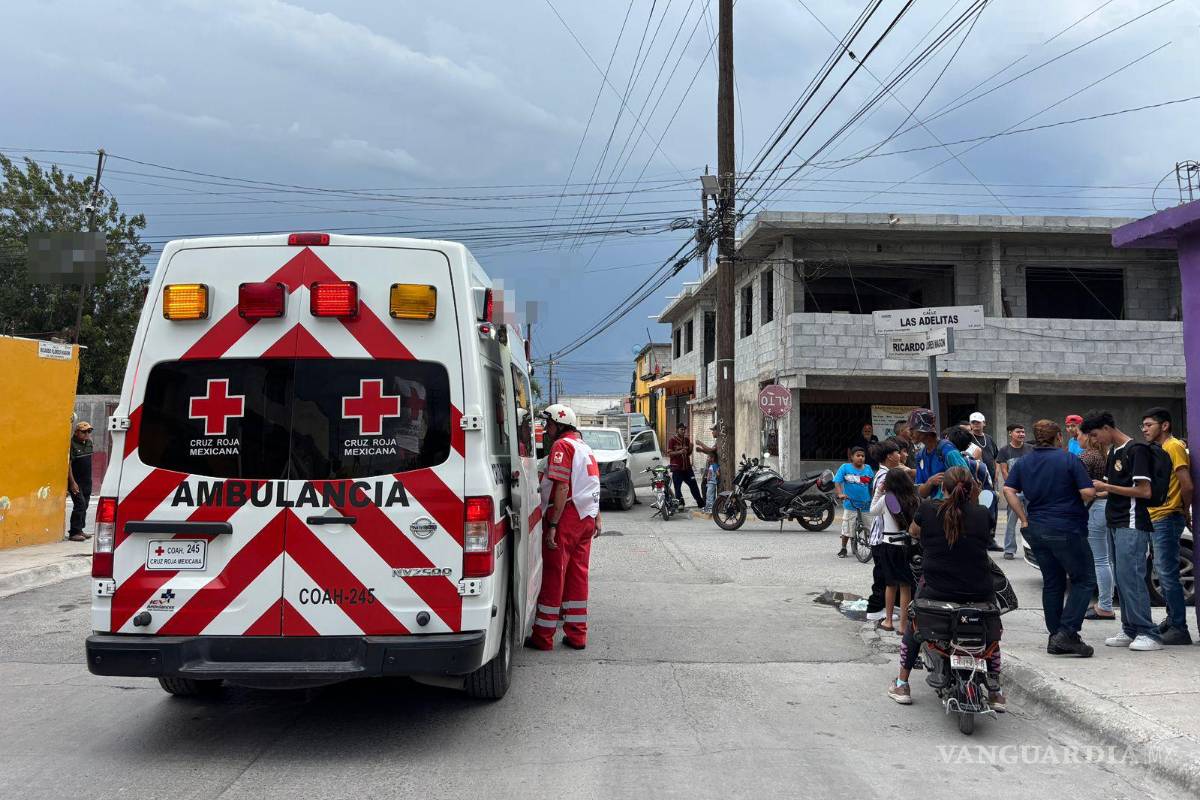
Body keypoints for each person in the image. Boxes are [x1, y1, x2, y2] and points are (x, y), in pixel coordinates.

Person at [888, 468, 1005, 710]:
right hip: (979, 592)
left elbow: (913, 532)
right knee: (992, 633)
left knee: (913, 625)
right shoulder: (982, 514)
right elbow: (984, 536)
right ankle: (996, 692)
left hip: (936, 591)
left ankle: (902, 683)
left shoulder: (928, 509)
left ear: (944, 488)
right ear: (972, 490)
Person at [1003, 420, 1097, 657]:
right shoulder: (1069, 459)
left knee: (1053, 582)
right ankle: (1067, 632)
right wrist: (1094, 490)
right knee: (1084, 579)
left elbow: (1008, 490)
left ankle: (1056, 636)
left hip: (1037, 528)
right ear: (1058, 437)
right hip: (1067, 527)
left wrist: (1023, 518)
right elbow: (1087, 492)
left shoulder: (1024, 462)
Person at [1081, 410, 1162, 652]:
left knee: (1132, 577)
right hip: (1115, 521)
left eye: (1095, 434)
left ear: (1107, 428)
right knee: (1122, 578)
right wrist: (1094, 491)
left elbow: (1144, 491)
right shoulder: (1114, 452)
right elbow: (1111, 489)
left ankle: (1148, 631)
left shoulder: (1136, 450)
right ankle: (1130, 628)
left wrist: (1106, 487)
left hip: (1132, 522)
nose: (1094, 440)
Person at [526, 404, 601, 652]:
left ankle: (543, 637)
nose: (546, 429)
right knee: (578, 576)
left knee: (554, 575)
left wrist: (553, 525)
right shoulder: (584, 447)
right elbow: (591, 485)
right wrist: (597, 517)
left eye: (549, 424)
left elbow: (562, 487)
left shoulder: (562, 446)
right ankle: (577, 635)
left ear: (560, 425)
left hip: (566, 517)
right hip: (586, 516)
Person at [1141, 407, 1193, 645]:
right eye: (1143, 425)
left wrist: (1183, 510)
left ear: (1164, 426)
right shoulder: (1160, 449)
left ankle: (1179, 627)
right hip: (1156, 517)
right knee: (1162, 572)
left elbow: (1187, 485)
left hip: (1167, 517)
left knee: (1167, 574)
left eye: (1149, 425)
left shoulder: (1173, 446)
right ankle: (1172, 620)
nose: (1145, 430)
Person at [870, 465, 919, 635]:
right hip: (908, 544)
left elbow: (872, 511)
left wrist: (878, 491)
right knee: (906, 586)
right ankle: (903, 626)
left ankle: (888, 621)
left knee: (890, 584)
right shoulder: (914, 499)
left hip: (889, 545)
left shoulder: (886, 499)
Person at [1079, 432, 1116, 621]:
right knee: (1107, 559)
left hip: (1093, 508)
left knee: (1100, 560)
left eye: (1078, 434)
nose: (1076, 438)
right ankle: (1105, 602)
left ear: (1088, 437)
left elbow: (1079, 486)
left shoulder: (1087, 456)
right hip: (1106, 507)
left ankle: (1105, 606)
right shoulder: (1107, 454)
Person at [908, 408, 968, 500]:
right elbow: (921, 493)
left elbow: (968, 482)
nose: (910, 434)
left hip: (953, 507)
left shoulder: (948, 451)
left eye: (913, 429)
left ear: (925, 430)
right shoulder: (920, 456)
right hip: (934, 507)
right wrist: (930, 482)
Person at [997, 423, 1034, 558]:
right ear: (1010, 433)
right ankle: (1009, 549)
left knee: (1032, 520)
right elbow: (1004, 471)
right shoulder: (1004, 450)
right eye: (1018, 432)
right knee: (1011, 521)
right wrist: (1013, 487)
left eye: (1023, 432)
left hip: (1030, 490)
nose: (1021, 434)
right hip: (1014, 491)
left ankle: (1034, 548)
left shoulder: (1031, 449)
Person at [834, 447, 875, 558]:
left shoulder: (868, 469)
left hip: (866, 503)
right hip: (850, 503)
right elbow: (837, 481)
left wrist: (873, 498)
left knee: (868, 527)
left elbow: (871, 486)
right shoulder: (845, 467)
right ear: (852, 457)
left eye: (863, 456)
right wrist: (840, 494)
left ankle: (870, 546)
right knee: (848, 527)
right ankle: (843, 548)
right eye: (858, 455)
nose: (861, 458)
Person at [67, 421, 95, 541]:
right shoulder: (71, 445)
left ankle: (80, 530)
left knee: (85, 504)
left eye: (89, 431)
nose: (87, 434)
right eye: (84, 432)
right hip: (76, 481)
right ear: (76, 432)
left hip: (87, 480)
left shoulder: (89, 443)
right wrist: (72, 483)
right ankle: (74, 532)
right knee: (80, 505)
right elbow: (68, 465)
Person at [666, 423, 703, 509]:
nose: (683, 431)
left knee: (693, 485)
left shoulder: (686, 440)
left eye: (684, 429)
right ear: (677, 430)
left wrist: (691, 449)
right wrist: (679, 452)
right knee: (677, 488)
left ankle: (700, 503)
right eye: (681, 429)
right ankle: (680, 503)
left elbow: (688, 454)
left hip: (687, 468)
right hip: (677, 468)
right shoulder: (672, 440)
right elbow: (669, 453)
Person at [695, 422, 723, 515]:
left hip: (712, 473)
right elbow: (711, 452)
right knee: (706, 490)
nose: (712, 432)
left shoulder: (719, 441)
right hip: (709, 470)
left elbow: (711, 451)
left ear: (717, 431)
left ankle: (709, 507)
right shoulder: (717, 441)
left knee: (709, 492)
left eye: (713, 430)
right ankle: (708, 506)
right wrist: (702, 450)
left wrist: (701, 443)